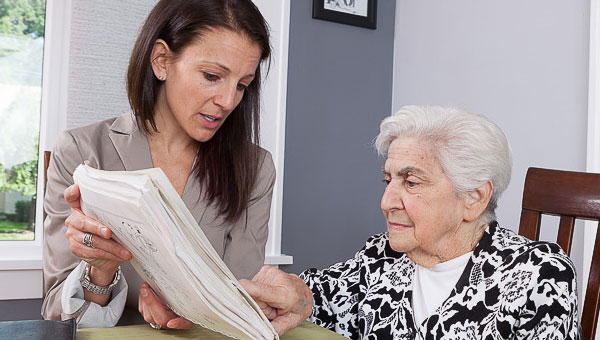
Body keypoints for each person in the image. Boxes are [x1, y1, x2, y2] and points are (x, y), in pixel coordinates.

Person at [241, 106, 580, 339]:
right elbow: (310, 298)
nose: (387, 202)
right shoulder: (380, 258)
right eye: (387, 180)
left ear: (474, 198)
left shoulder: (537, 275)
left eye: (412, 182)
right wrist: (285, 292)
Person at [42, 0, 275, 329]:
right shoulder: (81, 151)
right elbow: (57, 317)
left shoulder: (254, 168)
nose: (228, 101)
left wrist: (193, 315)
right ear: (161, 60)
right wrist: (100, 271)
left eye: (241, 85)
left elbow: (240, 302)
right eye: (212, 76)